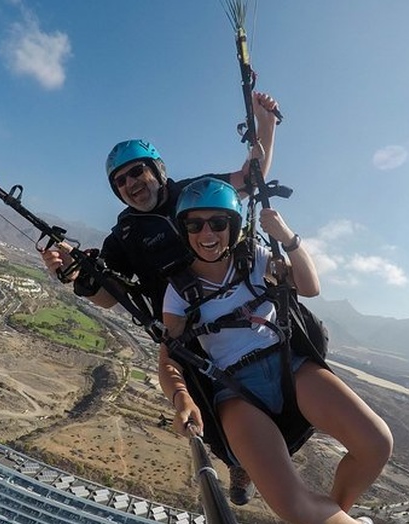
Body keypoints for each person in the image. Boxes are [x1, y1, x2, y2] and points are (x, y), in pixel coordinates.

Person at [41, 92, 280, 504]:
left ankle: (255, 460)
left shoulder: (198, 191)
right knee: (210, 404)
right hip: (183, 331)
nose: (132, 184)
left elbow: (251, 177)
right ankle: (239, 464)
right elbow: (108, 297)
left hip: (235, 306)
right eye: (121, 180)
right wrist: (72, 273)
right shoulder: (125, 235)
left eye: (138, 172)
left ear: (158, 171)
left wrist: (266, 125)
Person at [158, 177, 393, 524]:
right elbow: (169, 355)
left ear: (233, 225)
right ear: (184, 229)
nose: (206, 233)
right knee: (293, 507)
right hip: (236, 390)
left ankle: (332, 516)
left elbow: (309, 287)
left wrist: (288, 238)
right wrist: (182, 398)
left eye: (218, 222)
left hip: (288, 367)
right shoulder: (179, 292)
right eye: (195, 224)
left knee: (375, 443)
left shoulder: (255, 260)